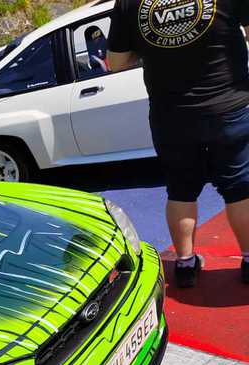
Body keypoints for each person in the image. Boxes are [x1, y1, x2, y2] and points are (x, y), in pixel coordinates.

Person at [107, 0, 249, 287]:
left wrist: (149, 49)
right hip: (229, 107)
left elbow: (116, 63)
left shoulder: (129, 3)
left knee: (181, 189)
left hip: (171, 116)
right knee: (239, 187)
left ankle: (185, 265)